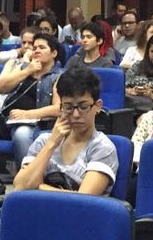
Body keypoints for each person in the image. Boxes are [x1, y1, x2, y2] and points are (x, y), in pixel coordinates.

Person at [12, 66, 118, 195]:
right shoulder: (45, 141)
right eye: (68, 107)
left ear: (97, 106)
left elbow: (83, 199)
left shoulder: (102, 148)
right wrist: (51, 144)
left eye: (83, 106)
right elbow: (20, 187)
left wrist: (38, 187)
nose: (76, 114)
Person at [0, 33, 63, 164]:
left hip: (33, 124)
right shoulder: (24, 68)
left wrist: (27, 114)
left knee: (22, 133)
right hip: (5, 120)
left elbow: (59, 108)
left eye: (42, 47)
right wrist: (27, 71)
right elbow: (2, 88)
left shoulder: (58, 76)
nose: (36, 51)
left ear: (54, 53)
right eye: (35, 48)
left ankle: (26, 174)